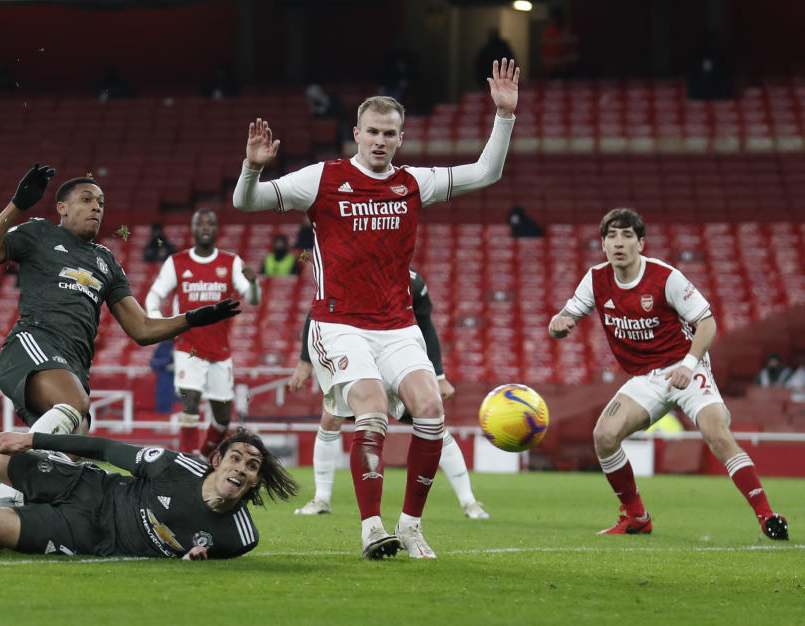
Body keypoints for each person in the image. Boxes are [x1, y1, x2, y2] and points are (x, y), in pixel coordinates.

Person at [232, 58, 520, 559]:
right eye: (372, 132)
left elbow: (486, 172)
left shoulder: (413, 183)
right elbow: (247, 203)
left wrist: (504, 116)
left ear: (401, 137)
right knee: (373, 409)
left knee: (431, 411)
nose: (380, 140)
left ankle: (410, 526)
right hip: (339, 324)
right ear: (356, 133)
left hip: (397, 325)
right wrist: (253, 167)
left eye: (390, 133)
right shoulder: (323, 178)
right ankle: (371, 528)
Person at [0, 166, 240, 506]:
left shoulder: (106, 261)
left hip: (73, 364)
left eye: (101, 202)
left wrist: (194, 318)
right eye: (86, 199)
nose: (97, 207)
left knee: (71, 445)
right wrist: (17, 205)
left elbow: (141, 329)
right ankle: (0, 467)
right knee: (74, 405)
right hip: (32, 345)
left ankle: (1, 504)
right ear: (62, 207)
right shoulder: (38, 233)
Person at [547, 207, 788, 541]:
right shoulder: (596, 279)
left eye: (627, 235)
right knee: (604, 436)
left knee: (716, 432)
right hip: (646, 377)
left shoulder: (665, 277)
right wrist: (560, 325)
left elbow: (707, 322)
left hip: (684, 366)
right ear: (602, 245)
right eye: (611, 236)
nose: (619, 243)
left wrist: (689, 365)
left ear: (641, 243)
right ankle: (636, 517)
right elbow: (562, 320)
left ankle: (767, 516)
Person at [0, 404, 299, 558]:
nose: (241, 469)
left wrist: (198, 559)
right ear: (217, 460)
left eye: (251, 467)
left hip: (84, 535)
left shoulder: (240, 537)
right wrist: (34, 439)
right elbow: (106, 448)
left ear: (254, 483)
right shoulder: (174, 466)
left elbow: (205, 555)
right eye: (236, 458)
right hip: (85, 486)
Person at [290, 268, 488, 520]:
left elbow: (425, 325)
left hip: (394, 359)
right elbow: (316, 312)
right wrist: (305, 362)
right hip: (356, 354)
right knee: (331, 417)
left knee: (433, 422)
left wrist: (438, 376)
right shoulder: (350, 271)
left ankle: (469, 502)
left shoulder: (414, 283)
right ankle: (321, 499)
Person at [145, 208, 260, 457]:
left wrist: (253, 283)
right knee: (190, 402)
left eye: (210, 223)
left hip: (220, 349)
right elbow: (154, 295)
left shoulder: (231, 261)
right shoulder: (177, 262)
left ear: (217, 229)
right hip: (189, 346)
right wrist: (156, 321)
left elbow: (253, 299)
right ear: (193, 229)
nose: (205, 227)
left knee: (223, 418)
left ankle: (205, 457)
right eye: (201, 223)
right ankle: (187, 459)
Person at [539, 6, 579, 79]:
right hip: (551, 71)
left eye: (558, 17)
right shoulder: (548, 32)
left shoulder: (568, 31)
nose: (556, 19)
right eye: (554, 17)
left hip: (567, 70)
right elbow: (544, 51)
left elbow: (573, 51)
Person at [150, 340, 176, 413]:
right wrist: (169, 360)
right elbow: (153, 364)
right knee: (163, 412)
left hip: (183, 384)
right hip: (165, 385)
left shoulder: (185, 344)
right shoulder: (164, 346)